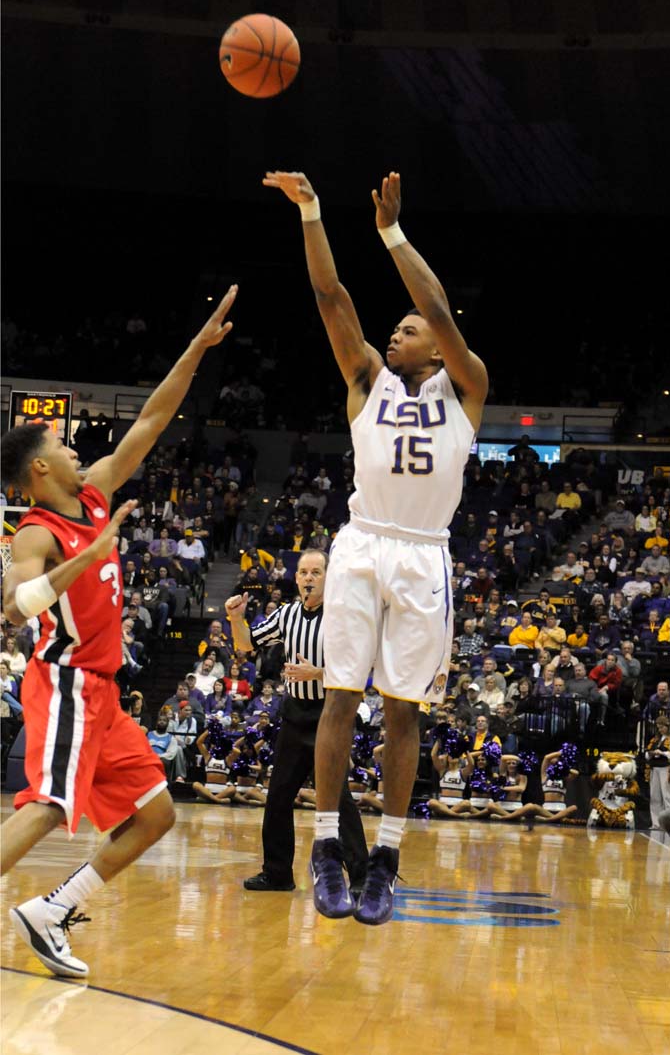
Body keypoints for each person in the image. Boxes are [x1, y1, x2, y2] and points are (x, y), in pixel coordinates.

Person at [265, 168, 488, 924]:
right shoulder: (367, 377)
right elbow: (332, 298)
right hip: (362, 545)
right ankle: (326, 847)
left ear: (437, 344)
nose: (398, 330)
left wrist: (392, 231)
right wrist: (314, 214)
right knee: (340, 696)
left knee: (402, 715)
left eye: (409, 328)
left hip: (425, 554)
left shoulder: (467, 387)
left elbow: (436, 306)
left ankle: (385, 860)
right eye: (393, 326)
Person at [0, 287, 237, 978]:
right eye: (63, 445)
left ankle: (51, 910)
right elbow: (14, 605)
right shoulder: (38, 530)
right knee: (47, 808)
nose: (77, 448)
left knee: (157, 814)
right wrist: (88, 556)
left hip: (105, 695)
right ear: (41, 468)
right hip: (67, 683)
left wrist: (197, 349)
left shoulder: (97, 491)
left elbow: (153, 419)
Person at [226, 550, 368, 895]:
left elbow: (359, 670)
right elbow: (245, 644)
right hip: (294, 713)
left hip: (329, 714)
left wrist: (316, 672)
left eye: (316, 572)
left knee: (336, 797)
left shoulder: (342, 616)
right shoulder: (286, 615)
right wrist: (235, 617)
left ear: (328, 577)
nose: (308, 578)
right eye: (303, 572)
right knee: (277, 796)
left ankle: (363, 877)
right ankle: (277, 873)